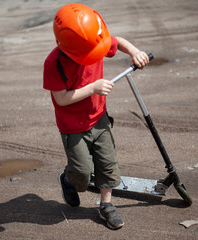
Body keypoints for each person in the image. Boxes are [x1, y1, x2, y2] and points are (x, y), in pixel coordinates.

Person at [43, 3, 149, 230]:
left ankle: (106, 205)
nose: (96, 55)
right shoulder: (54, 63)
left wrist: (134, 51)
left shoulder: (94, 40)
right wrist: (92, 88)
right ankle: (69, 179)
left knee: (107, 164)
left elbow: (117, 41)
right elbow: (61, 98)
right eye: (90, 54)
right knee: (82, 174)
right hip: (72, 126)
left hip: (99, 117)